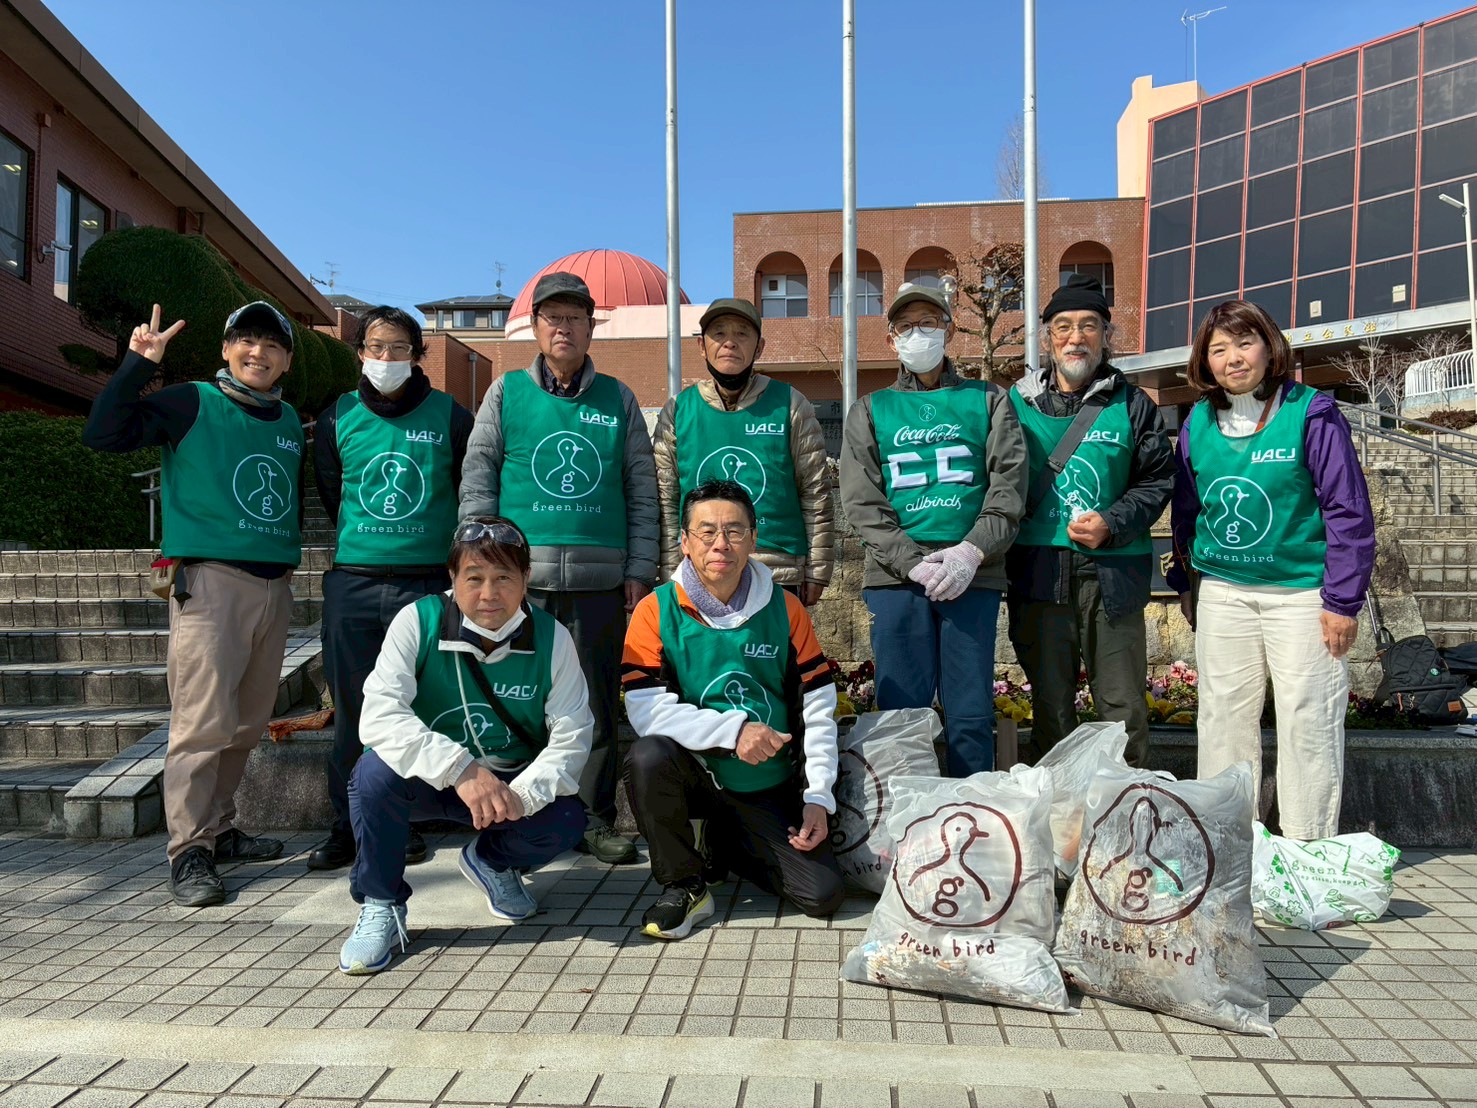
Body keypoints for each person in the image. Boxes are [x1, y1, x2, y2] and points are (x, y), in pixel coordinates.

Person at [82, 301, 303, 907]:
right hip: (209, 583)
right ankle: (189, 852)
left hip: (274, 585)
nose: (258, 352)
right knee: (200, 725)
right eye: (246, 341)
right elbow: (103, 434)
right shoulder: (190, 401)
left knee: (248, 721)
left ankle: (221, 828)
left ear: (286, 360)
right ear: (226, 350)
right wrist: (135, 366)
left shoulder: (286, 420)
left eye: (271, 344)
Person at [460, 272, 657, 865]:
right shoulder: (505, 393)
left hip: (601, 585)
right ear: (535, 327)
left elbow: (642, 489)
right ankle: (517, 817)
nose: (563, 327)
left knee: (594, 707)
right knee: (520, 701)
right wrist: (480, 563)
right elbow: (479, 476)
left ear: (591, 328)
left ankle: (593, 819)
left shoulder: (618, 398)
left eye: (575, 317)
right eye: (552, 317)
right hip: (523, 584)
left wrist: (640, 567)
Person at [338, 517, 591, 974]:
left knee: (566, 818)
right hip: (434, 780)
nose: (489, 594)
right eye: (474, 578)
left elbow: (572, 735)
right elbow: (379, 715)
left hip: (509, 783)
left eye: (503, 578)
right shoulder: (418, 621)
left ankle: (492, 862)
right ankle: (381, 904)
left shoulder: (554, 638)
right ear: (452, 578)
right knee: (372, 776)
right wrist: (461, 770)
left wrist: (522, 794)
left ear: (526, 578)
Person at [1167, 300, 1374, 840]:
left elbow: (1347, 510)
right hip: (1225, 593)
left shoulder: (1312, 412)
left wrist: (1342, 601)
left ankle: (1307, 848)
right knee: (1222, 723)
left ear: (1269, 348)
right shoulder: (1196, 422)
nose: (1233, 358)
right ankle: (1228, 846)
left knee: (1308, 722)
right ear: (1204, 362)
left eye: (1244, 343)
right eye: (1218, 349)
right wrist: (1186, 584)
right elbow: (1187, 513)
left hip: (1303, 594)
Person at [621, 480, 844, 940]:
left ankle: (729, 843)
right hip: (697, 774)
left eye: (734, 531)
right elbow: (643, 707)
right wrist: (735, 730)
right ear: (684, 541)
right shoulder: (654, 610)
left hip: (767, 782)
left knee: (822, 895)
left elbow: (818, 705)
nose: (720, 543)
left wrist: (818, 796)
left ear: (754, 538)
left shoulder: (787, 608)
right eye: (706, 532)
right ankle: (684, 884)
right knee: (646, 757)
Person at [309, 306, 475, 871]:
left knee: (418, 707)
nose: (386, 359)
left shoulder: (451, 416)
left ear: (417, 354)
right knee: (353, 709)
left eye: (399, 348)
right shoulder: (337, 417)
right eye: (375, 347)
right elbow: (333, 493)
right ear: (359, 352)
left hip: (427, 582)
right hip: (354, 580)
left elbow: (465, 489)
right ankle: (347, 825)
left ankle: (401, 819)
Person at [838, 283, 1028, 776]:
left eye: (929, 322)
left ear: (948, 332)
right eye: (907, 326)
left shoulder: (990, 399)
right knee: (901, 712)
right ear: (891, 339)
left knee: (970, 711)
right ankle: (903, 821)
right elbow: (861, 500)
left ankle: (975, 819)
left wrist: (970, 553)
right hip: (896, 578)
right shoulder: (869, 408)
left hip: (974, 575)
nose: (918, 333)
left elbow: (1008, 485)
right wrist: (911, 562)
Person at [1006, 275, 1175, 766]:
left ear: (1106, 335)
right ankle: (1058, 820)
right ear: (1046, 338)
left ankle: (1126, 816)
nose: (1075, 337)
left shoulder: (1134, 405)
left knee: (1121, 707)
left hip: (1114, 573)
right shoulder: (1014, 405)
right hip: (1038, 571)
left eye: (1088, 326)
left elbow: (1158, 479)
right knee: (1050, 708)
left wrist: (1114, 520)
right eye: (1063, 327)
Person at [652, 297, 833, 603]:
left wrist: (817, 568)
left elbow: (815, 491)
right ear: (701, 346)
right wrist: (673, 569)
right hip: (701, 569)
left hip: (778, 570)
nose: (730, 343)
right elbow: (667, 500)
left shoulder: (790, 404)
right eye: (719, 333)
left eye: (741, 334)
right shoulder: (678, 410)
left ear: (759, 347)